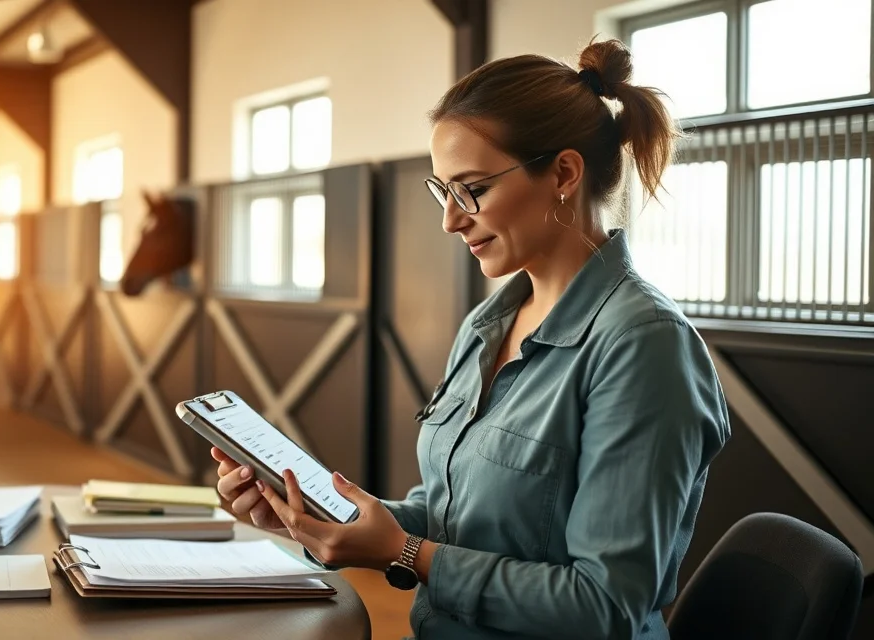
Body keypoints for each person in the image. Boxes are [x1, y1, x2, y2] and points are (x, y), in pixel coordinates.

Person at [212, 38, 731, 640]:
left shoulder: (643, 346)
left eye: (473, 189)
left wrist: (405, 553)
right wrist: (314, 520)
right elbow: (457, 516)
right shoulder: (491, 323)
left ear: (564, 172)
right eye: (443, 191)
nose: (450, 219)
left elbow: (603, 607)